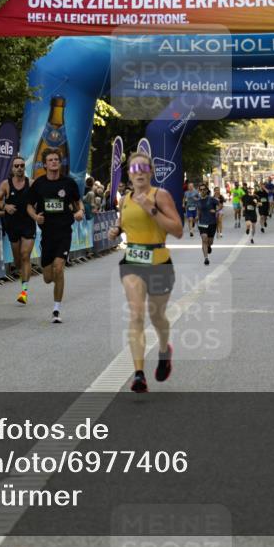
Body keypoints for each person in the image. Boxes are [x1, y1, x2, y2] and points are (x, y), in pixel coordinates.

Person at [108, 152, 183, 393]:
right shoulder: (125, 199)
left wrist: (152, 210)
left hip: (159, 262)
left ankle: (164, 350)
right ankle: (139, 374)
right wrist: (116, 229)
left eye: (143, 168)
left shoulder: (160, 196)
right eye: (134, 168)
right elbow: (123, 223)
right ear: (129, 175)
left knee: (157, 316)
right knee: (136, 313)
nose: (139, 172)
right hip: (132, 261)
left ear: (150, 172)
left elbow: (178, 230)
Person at [27, 149, 84, 324]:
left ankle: (56, 310)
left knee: (59, 269)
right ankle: (55, 277)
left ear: (60, 163)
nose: (53, 162)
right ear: (44, 164)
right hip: (47, 235)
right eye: (50, 160)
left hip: (64, 232)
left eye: (56, 160)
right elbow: (29, 205)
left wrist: (80, 211)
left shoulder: (68, 183)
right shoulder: (39, 184)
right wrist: (35, 217)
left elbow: (78, 202)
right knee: (47, 278)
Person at [0, 156, 35, 305]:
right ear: (12, 168)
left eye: (22, 165)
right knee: (18, 261)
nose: (19, 168)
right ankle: (22, 276)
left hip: (28, 223)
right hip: (12, 224)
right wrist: (5, 206)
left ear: (25, 167)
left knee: (25, 256)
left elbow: (39, 200)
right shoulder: (6, 184)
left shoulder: (31, 183)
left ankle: (24, 291)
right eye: (16, 166)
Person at [195, 183, 220, 265]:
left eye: (204, 189)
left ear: (206, 190)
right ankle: (206, 258)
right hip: (202, 223)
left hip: (212, 223)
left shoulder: (211, 199)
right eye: (201, 189)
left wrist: (215, 211)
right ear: (199, 191)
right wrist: (197, 217)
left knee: (210, 241)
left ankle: (209, 246)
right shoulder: (198, 201)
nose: (202, 191)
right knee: (204, 239)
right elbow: (199, 210)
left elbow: (220, 206)